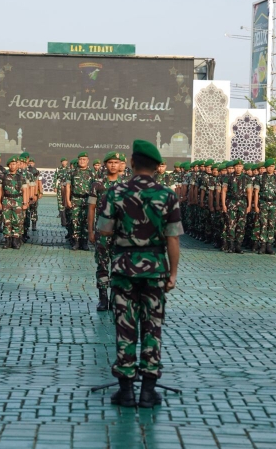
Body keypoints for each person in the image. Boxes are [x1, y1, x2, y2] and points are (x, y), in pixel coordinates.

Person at [97, 140, 181, 409]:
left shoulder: (115, 192)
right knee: (152, 328)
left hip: (124, 268)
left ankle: (126, 392)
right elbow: (173, 239)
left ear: (131, 163)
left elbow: (104, 230)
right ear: (157, 166)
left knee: (125, 328)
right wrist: (173, 274)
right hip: (155, 270)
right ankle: (147, 392)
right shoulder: (167, 195)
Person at [88, 151, 124, 311]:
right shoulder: (97, 184)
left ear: (120, 165)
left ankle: (115, 299)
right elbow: (91, 208)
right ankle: (103, 299)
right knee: (102, 265)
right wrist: (90, 231)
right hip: (102, 232)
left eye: (116, 162)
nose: (113, 165)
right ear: (105, 165)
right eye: (110, 162)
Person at [0, 155, 28, 249]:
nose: (12, 166)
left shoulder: (21, 177)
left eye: (14, 164)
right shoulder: (3, 176)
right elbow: (0, 190)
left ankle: (15, 241)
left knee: (17, 221)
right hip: (6, 200)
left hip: (18, 200)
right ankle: (7, 240)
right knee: (6, 221)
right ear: (8, 165)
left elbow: (25, 191)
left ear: (17, 165)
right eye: (11, 164)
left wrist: (25, 203)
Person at [65, 152, 95, 250]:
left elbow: (95, 188)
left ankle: (84, 242)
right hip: (75, 199)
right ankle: (76, 242)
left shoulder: (92, 173)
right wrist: (68, 200)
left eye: (84, 159)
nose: (82, 161)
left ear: (88, 161)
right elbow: (68, 186)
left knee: (86, 221)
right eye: (80, 159)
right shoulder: (72, 172)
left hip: (88, 200)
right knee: (75, 220)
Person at [253, 159, 276, 255]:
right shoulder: (260, 178)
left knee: (272, 224)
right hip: (263, 203)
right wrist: (256, 205)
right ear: (266, 168)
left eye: (272, 166)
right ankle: (262, 245)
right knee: (263, 224)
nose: (270, 168)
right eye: (269, 167)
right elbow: (256, 193)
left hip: (273, 203)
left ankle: (269, 245)